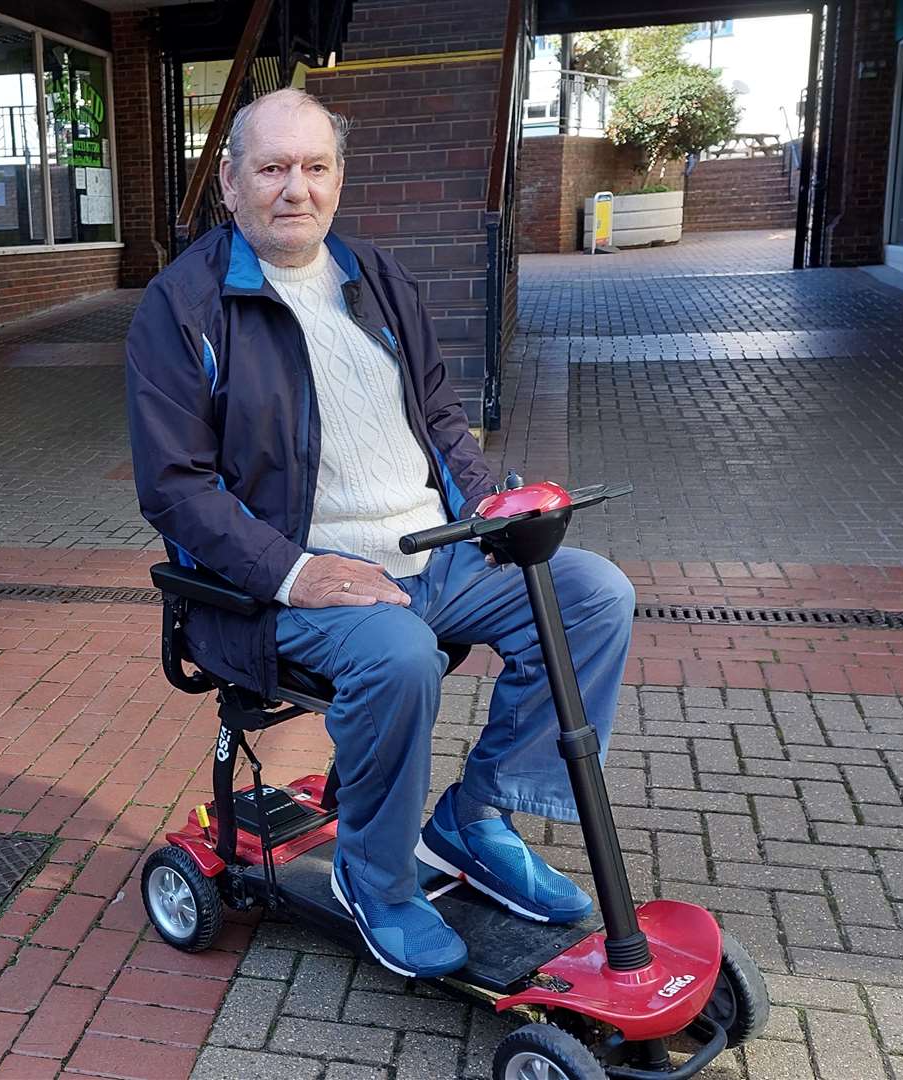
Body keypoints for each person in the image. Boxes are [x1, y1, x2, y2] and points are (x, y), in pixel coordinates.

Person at [124, 89, 635, 979]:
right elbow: (175, 490)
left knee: (593, 593)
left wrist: (486, 512)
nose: (296, 189)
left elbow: (437, 415)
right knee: (396, 655)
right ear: (232, 187)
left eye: (315, 168)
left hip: (431, 548)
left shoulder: (376, 280)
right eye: (273, 169)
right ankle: (375, 878)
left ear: (338, 179)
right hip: (276, 586)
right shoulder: (183, 309)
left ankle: (474, 820)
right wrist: (297, 571)